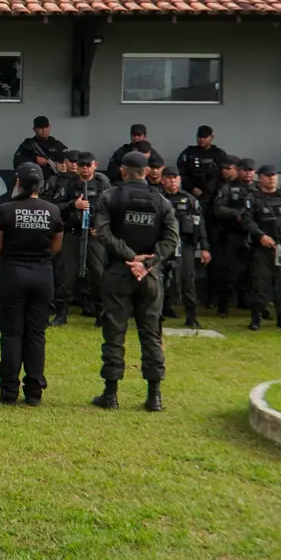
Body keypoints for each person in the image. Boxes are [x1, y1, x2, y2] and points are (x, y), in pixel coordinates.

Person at [92, 151, 178, 412]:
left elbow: (103, 233)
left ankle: (111, 395)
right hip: (149, 275)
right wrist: (147, 263)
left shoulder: (110, 197)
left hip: (119, 271)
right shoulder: (162, 201)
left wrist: (130, 257)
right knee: (151, 334)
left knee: (114, 332)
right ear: (147, 172)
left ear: (122, 171)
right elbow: (171, 239)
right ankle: (154, 396)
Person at [0, 162, 63, 406]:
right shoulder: (53, 210)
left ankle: (9, 389)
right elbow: (56, 246)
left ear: (17, 182)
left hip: (12, 273)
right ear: (41, 185)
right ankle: (34, 391)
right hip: (42, 274)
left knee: (11, 334)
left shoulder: (5, 209)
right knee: (36, 333)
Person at [243, 164, 281, 331]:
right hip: (262, 248)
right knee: (260, 285)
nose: (271, 179)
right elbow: (247, 220)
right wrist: (260, 236)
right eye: (268, 176)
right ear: (260, 178)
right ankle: (256, 319)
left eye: (274, 176)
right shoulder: (253, 197)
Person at [52, 152, 108, 324]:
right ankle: (61, 314)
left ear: (95, 165)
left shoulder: (102, 183)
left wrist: (100, 227)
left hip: (94, 235)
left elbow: (111, 209)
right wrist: (73, 205)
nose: (84, 169)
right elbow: (55, 207)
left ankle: (101, 314)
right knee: (66, 273)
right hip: (74, 233)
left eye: (88, 165)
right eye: (81, 165)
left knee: (98, 274)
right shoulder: (69, 183)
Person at [159, 167, 209, 329]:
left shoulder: (189, 200)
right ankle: (156, 315)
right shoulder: (157, 198)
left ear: (180, 180)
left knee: (188, 279)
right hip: (162, 245)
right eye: (169, 178)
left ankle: (191, 317)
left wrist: (204, 248)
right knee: (158, 280)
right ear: (163, 180)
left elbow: (200, 225)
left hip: (185, 244)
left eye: (175, 178)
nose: (172, 181)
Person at [210, 157, 254, 317]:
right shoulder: (228, 188)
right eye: (244, 170)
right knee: (230, 272)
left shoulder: (257, 189)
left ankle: (251, 303)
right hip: (234, 234)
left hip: (254, 235)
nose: (247, 174)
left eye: (250, 171)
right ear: (238, 171)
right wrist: (235, 213)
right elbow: (218, 208)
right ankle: (223, 306)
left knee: (253, 272)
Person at [12, 116, 68, 189]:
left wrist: (59, 165)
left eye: (46, 127)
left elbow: (67, 160)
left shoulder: (57, 145)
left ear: (49, 127)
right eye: (40, 128)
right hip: (34, 183)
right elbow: (16, 161)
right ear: (34, 129)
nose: (44, 130)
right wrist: (34, 159)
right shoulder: (28, 145)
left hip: (55, 182)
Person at [175, 126, 224, 206]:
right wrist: (192, 188)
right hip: (192, 193)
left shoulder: (218, 153)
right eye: (200, 137)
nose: (202, 140)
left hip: (213, 194)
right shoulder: (189, 152)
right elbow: (182, 173)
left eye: (205, 137)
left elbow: (224, 173)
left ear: (211, 137)